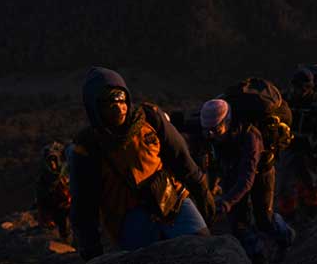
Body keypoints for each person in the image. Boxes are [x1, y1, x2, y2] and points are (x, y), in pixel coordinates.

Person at [68, 67, 214, 261]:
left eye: (121, 99)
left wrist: (201, 188)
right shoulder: (87, 148)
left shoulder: (149, 118)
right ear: (95, 107)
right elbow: (84, 205)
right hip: (129, 216)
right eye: (109, 102)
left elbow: (180, 156)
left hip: (172, 200)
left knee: (203, 250)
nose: (118, 107)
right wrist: (90, 247)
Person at [201, 97, 295, 264]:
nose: (210, 134)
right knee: (238, 222)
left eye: (215, 129)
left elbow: (247, 179)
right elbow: (214, 164)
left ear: (227, 122)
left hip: (261, 173)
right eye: (207, 130)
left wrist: (227, 201)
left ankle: (286, 237)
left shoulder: (251, 136)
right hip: (233, 171)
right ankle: (256, 257)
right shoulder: (214, 135)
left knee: (264, 219)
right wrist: (213, 188)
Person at [276, 66, 317, 221]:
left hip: (309, 147)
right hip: (289, 145)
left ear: (310, 87)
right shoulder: (285, 100)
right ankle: (288, 213)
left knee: (310, 180)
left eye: (303, 87)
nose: (299, 91)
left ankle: (310, 209)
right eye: (297, 87)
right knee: (285, 182)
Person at [36, 141, 72, 242]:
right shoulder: (44, 180)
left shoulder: (66, 174)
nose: (52, 163)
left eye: (54, 160)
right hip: (57, 211)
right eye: (50, 161)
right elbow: (42, 201)